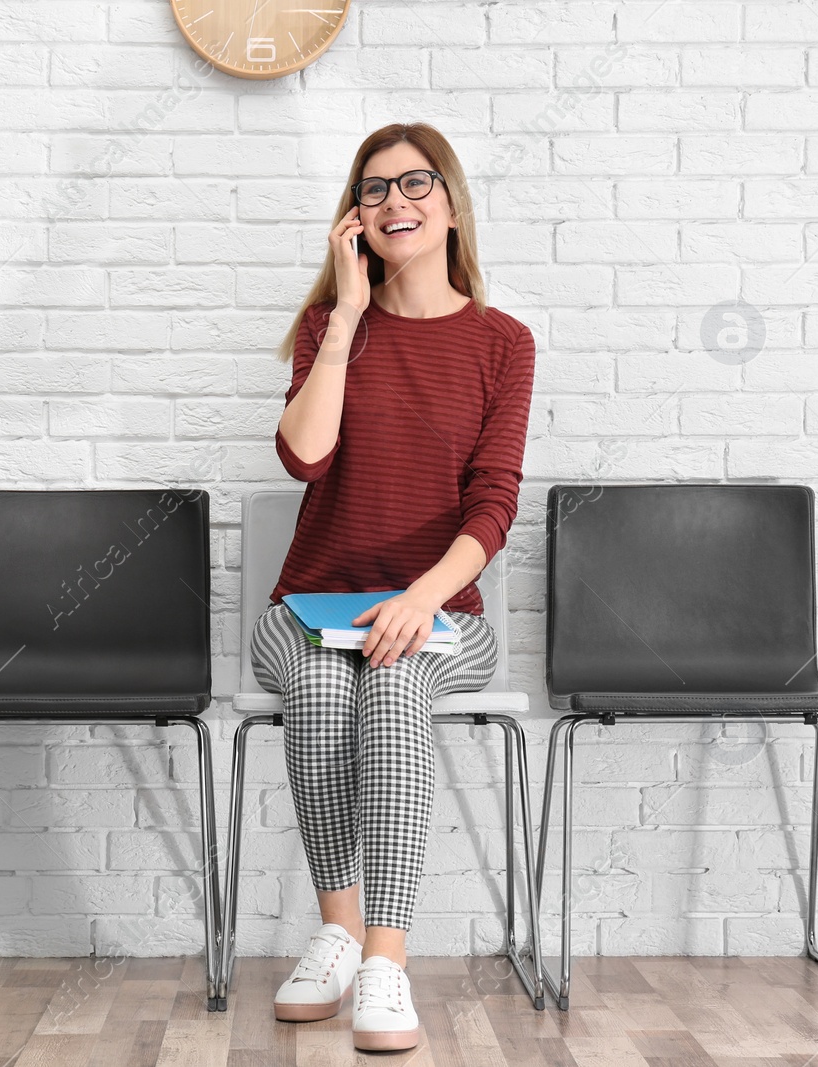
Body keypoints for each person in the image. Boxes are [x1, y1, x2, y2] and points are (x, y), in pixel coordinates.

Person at [248, 122, 536, 1053]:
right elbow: (305, 456)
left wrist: (421, 597)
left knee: (397, 679)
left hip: (445, 613)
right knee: (329, 684)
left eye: (416, 184)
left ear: (451, 205)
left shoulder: (503, 343)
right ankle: (336, 929)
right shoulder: (327, 330)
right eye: (373, 190)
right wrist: (342, 319)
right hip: (307, 610)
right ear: (354, 218)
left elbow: (493, 504)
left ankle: (384, 958)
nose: (395, 202)